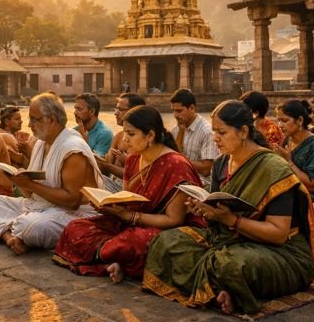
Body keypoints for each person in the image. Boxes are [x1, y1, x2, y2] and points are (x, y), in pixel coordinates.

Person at [143, 100, 314, 315]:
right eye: (214, 131)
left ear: (243, 131)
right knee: (165, 242)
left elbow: (278, 234)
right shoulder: (221, 163)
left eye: (222, 132)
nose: (215, 138)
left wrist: (232, 220)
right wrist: (204, 210)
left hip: (277, 250)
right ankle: (224, 291)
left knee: (230, 265)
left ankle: (227, 290)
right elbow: (216, 213)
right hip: (227, 238)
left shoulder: (273, 169)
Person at [53, 105, 203, 283]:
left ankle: (113, 259)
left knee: (132, 242)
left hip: (165, 229)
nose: (125, 140)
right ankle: (114, 260)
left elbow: (174, 220)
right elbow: (127, 199)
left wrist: (130, 216)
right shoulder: (133, 159)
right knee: (75, 228)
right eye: (125, 133)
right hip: (129, 222)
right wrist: (108, 207)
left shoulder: (176, 165)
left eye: (131, 134)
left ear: (150, 135)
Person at [0, 92, 103, 255]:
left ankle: (13, 231)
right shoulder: (41, 143)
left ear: (51, 119)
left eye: (34, 119)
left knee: (32, 227)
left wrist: (29, 184)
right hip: (39, 207)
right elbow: (31, 195)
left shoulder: (72, 149)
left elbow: (72, 201)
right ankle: (10, 237)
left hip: (74, 213)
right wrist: (18, 181)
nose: (29, 125)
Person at [272, 99, 314, 204]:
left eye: (284, 121)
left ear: (300, 120)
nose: (280, 125)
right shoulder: (287, 140)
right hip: (290, 191)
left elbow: (312, 186)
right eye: (279, 120)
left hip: (311, 199)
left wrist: (288, 162)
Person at [96, 93, 146, 192]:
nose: (116, 113)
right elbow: (107, 165)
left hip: (130, 190)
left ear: (134, 112)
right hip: (113, 183)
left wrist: (107, 165)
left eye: (120, 109)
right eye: (116, 109)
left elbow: (137, 175)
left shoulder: (143, 138)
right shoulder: (119, 136)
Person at [170, 88, 218, 188]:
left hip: (201, 185)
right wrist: (181, 133)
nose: (175, 115)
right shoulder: (176, 130)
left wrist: (181, 161)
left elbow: (206, 169)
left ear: (192, 108)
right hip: (181, 181)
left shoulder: (206, 132)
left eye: (179, 111)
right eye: (173, 111)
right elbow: (174, 156)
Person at [73, 93, 114, 157]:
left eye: (79, 109)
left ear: (92, 111)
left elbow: (98, 161)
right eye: (75, 108)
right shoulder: (74, 131)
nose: (75, 112)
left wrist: (84, 142)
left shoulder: (105, 134)